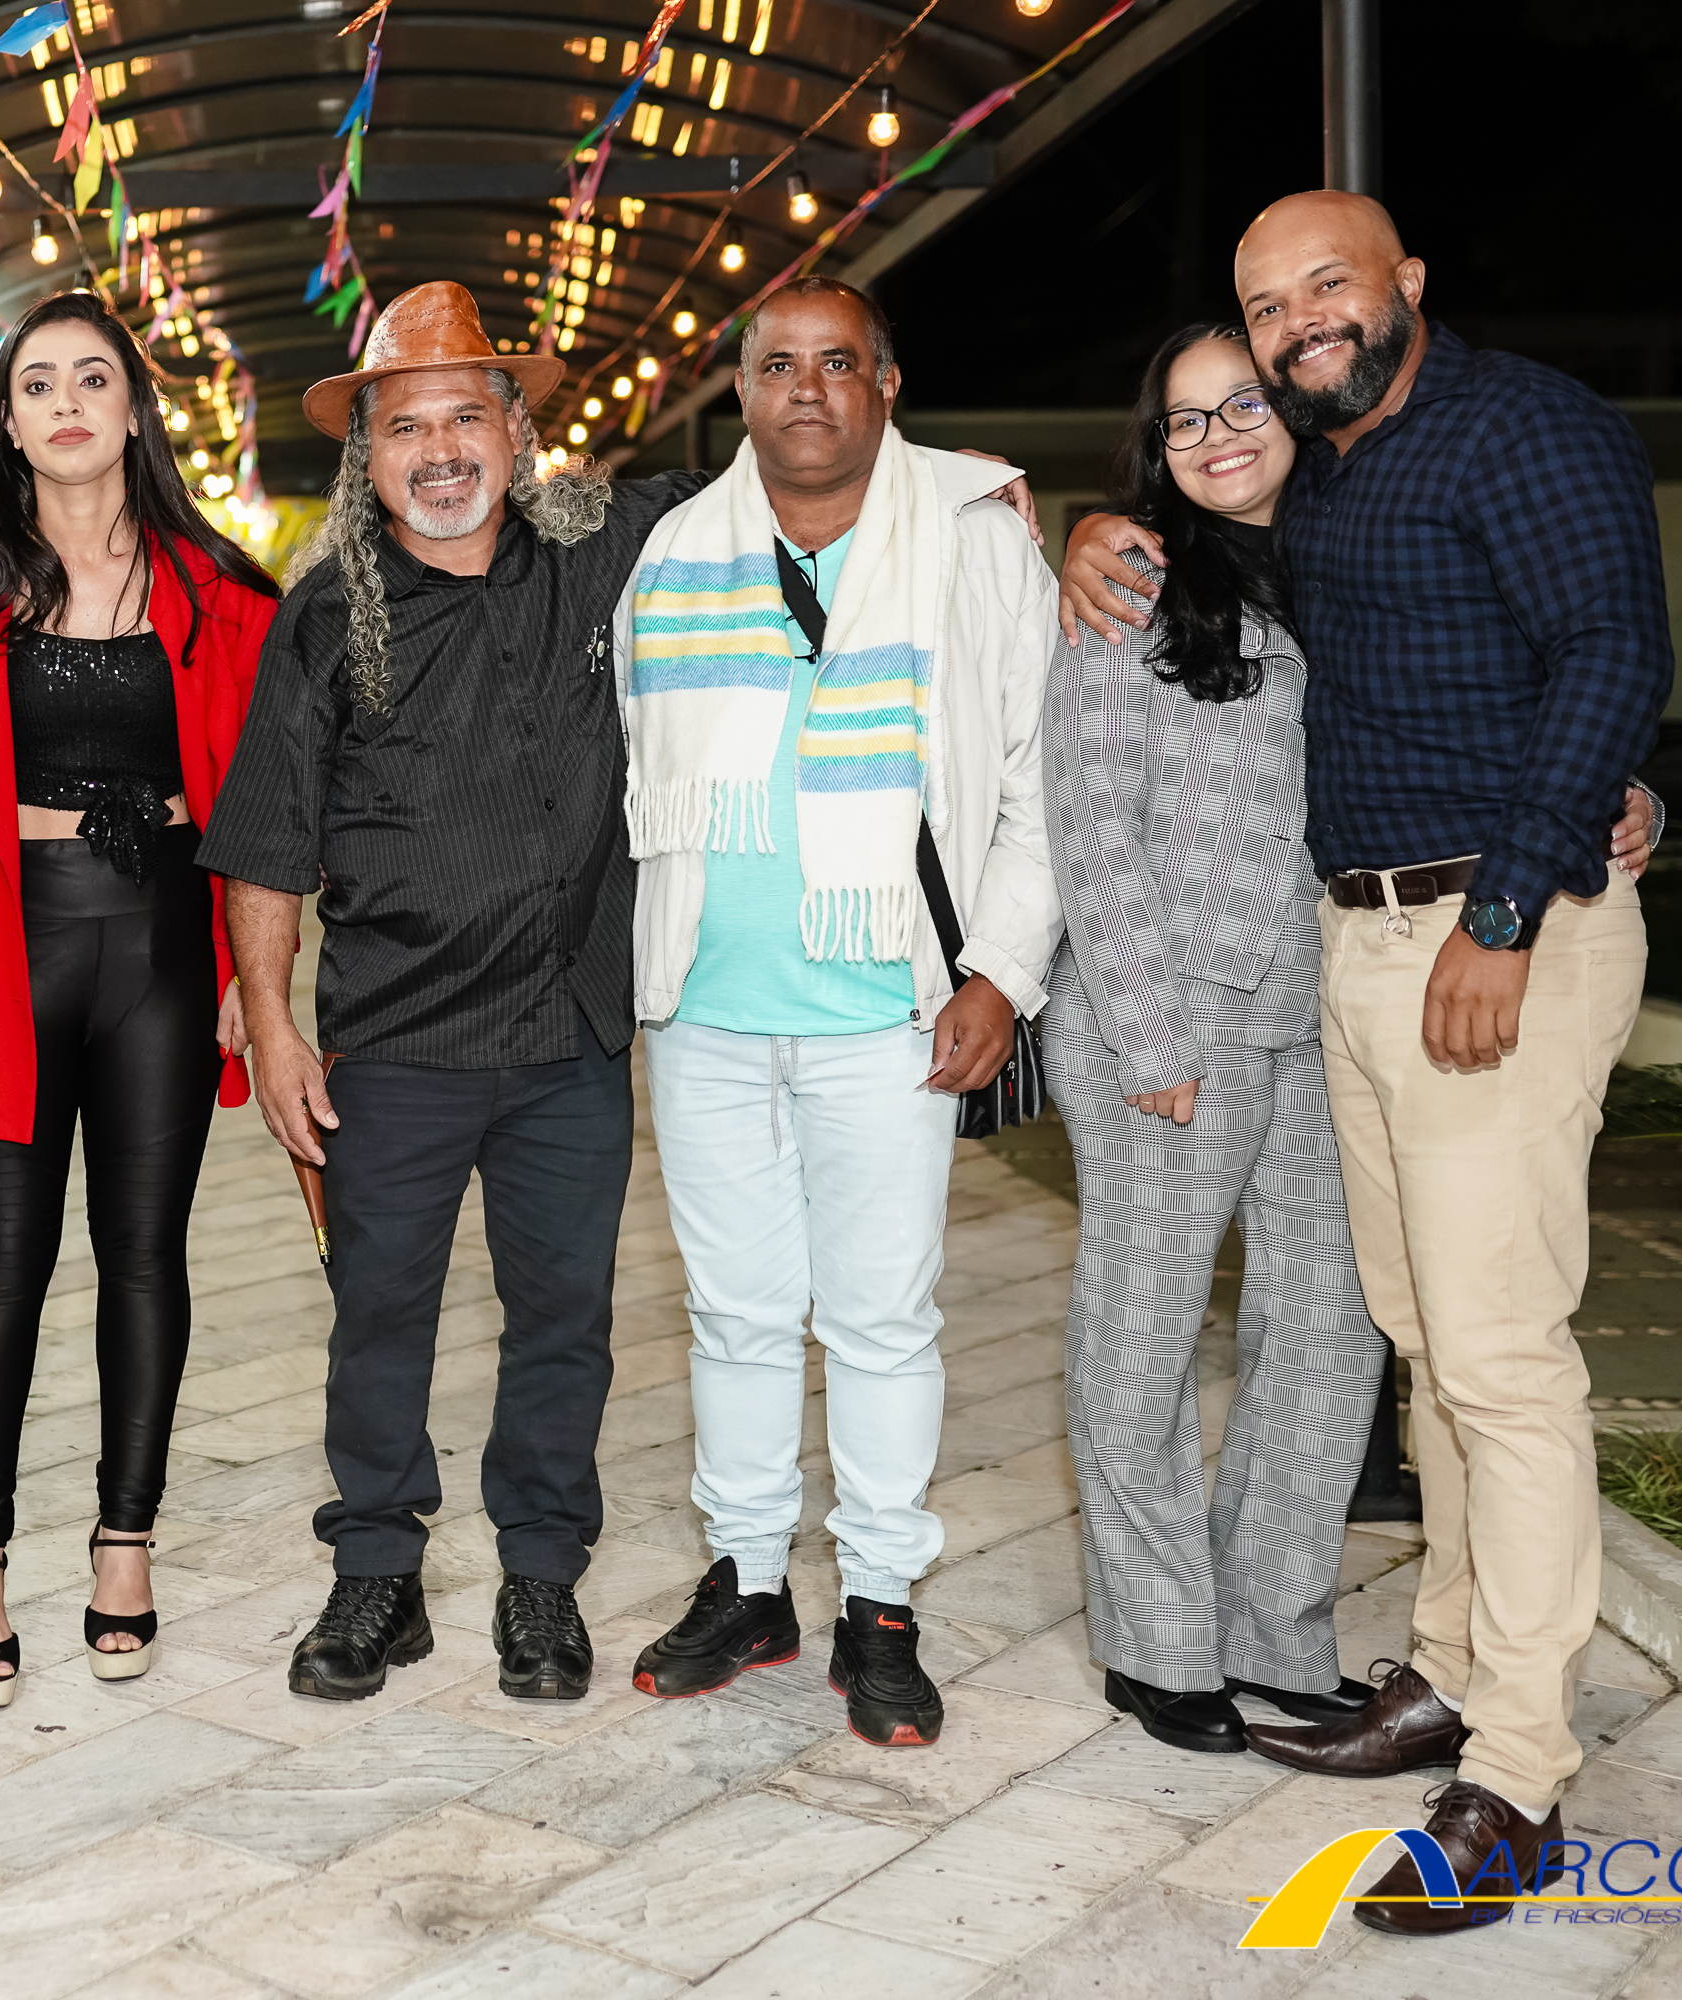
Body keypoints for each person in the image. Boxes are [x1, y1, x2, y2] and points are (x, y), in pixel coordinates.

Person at [1058, 192, 1674, 1931]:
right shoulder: (1321, 481)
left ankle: (1521, 1773)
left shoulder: (1524, 424)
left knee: (1498, 1356)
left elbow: (1613, 649)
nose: (1296, 325)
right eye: (1267, 307)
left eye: (1326, 286)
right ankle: (1453, 1673)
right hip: (1361, 949)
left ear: (1406, 283)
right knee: (1426, 1340)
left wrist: (1521, 898)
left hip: (1488, 936)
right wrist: (1083, 535)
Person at [201, 281, 717, 1704]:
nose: (439, 450)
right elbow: (267, 844)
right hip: (394, 1042)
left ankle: (541, 1578)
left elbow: (793, 476)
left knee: (565, 1320)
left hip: (568, 1034)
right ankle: (377, 1571)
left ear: (516, 430)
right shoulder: (323, 619)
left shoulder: (606, 553)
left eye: (464, 417)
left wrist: (975, 492)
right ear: (366, 459)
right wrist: (274, 1025)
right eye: (405, 426)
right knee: (380, 1316)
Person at [613, 280, 1060, 1750]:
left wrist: (1001, 972)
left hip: (890, 1012)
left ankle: (881, 1601)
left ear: (886, 383)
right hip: (706, 1010)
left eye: (838, 363)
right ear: (740, 390)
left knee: (879, 1322)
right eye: (777, 365)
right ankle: (749, 1582)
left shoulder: (973, 541)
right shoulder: (673, 550)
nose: (806, 389)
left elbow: (1037, 783)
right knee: (736, 1317)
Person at [0, 292, 277, 1704]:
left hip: (164, 947)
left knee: (145, 1253)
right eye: (38, 382)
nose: (66, 403)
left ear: (133, 408)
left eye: (93, 379)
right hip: (12, 947)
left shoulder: (217, 590)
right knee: (1, 1259)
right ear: (8, 419)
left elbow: (265, 797)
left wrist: (252, 977)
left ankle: (126, 1544)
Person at [1040, 323, 1390, 1757]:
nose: (1216, 436)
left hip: (1331, 1017)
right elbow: (1090, 822)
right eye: (1184, 420)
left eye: (1241, 404)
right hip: (1168, 1022)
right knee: (1147, 1330)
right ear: (1158, 448)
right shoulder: (1130, 584)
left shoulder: (1356, 568)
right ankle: (1158, 1643)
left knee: (1329, 1328)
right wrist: (1150, 1037)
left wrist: (1633, 804)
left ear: (1295, 412)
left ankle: (1274, 1631)